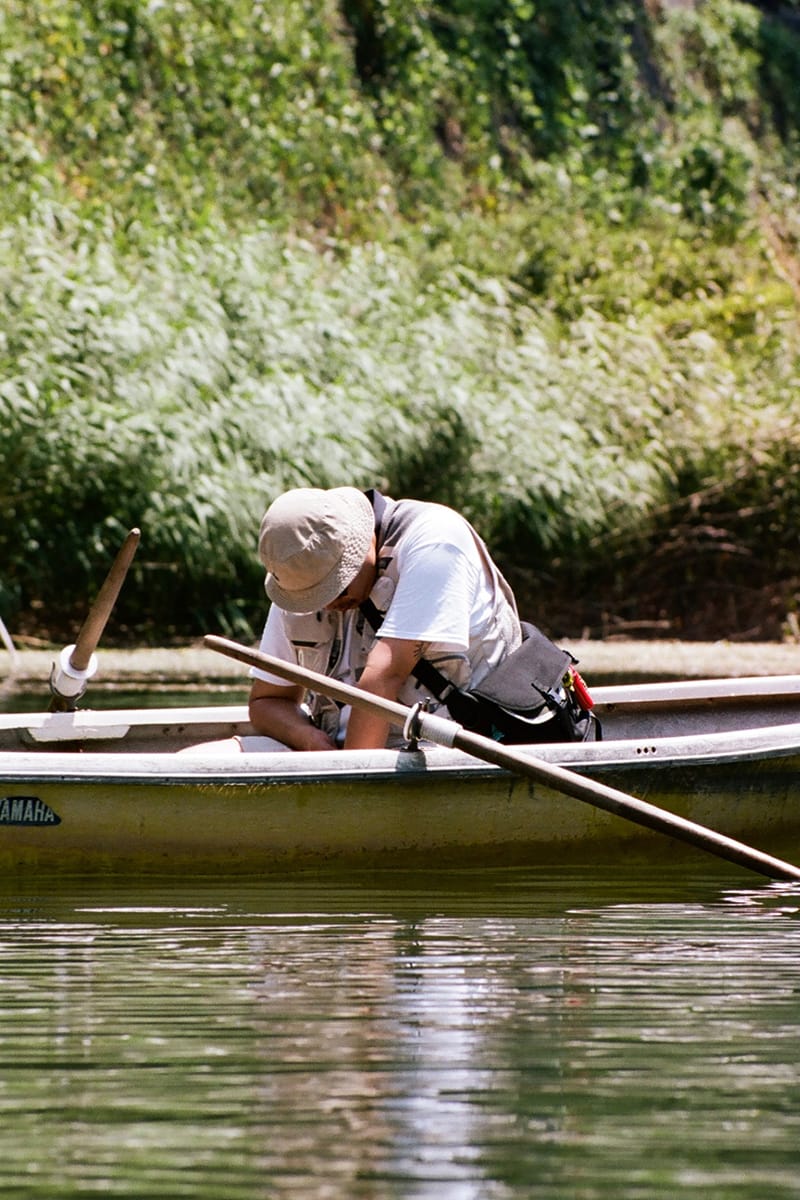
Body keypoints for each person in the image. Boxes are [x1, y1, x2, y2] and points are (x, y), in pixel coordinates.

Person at [248, 485, 523, 751]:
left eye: (337, 587)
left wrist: (348, 784)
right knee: (206, 757)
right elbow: (268, 701)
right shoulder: (298, 571)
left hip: (449, 750)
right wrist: (307, 739)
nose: (330, 604)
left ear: (363, 539)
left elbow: (385, 675)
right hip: (336, 754)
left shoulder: (436, 542)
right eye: (315, 597)